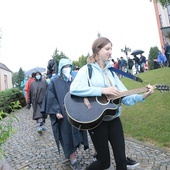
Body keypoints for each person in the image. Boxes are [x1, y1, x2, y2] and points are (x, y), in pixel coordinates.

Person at [70, 37, 155, 170]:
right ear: (97, 50)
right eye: (107, 49)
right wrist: (101, 90)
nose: (110, 52)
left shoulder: (112, 72)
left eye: (111, 49)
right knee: (104, 163)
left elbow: (125, 97)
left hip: (114, 120)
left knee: (121, 160)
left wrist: (144, 94)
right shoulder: (87, 70)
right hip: (96, 122)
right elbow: (74, 89)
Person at [41, 58, 89, 170]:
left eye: (69, 66)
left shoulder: (74, 79)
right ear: (60, 68)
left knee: (78, 132)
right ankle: (73, 160)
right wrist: (56, 111)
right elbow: (51, 97)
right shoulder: (54, 81)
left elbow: (81, 92)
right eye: (65, 67)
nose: (67, 69)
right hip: (63, 115)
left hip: (76, 113)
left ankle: (74, 154)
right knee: (67, 136)